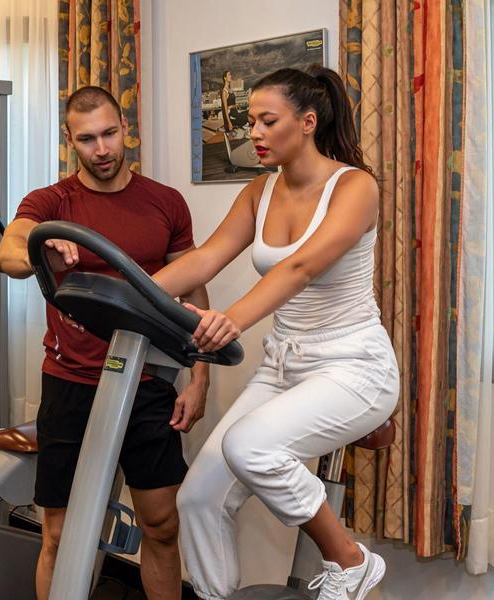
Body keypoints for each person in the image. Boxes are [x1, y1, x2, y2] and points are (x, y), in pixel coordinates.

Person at [152, 65, 399, 600]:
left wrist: (232, 318)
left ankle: (351, 563)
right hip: (283, 366)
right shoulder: (259, 191)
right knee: (198, 498)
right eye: (250, 122)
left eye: (267, 121)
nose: (253, 134)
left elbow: (300, 268)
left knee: (251, 448)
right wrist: (133, 292)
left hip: (353, 366)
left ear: (307, 122)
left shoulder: (354, 186)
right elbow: (205, 259)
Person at [0, 86, 210, 600]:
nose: (103, 149)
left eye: (110, 133)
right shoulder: (51, 202)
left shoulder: (165, 202)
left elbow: (195, 287)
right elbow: (9, 254)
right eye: (88, 139)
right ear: (71, 141)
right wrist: (40, 243)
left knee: (161, 527)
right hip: (71, 383)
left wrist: (200, 377)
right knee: (62, 535)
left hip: (149, 381)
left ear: (125, 128)